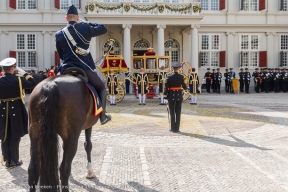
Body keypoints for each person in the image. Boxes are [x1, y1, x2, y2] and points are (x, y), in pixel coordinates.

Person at [55, 5, 111, 125]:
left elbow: (60, 55)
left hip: (66, 69)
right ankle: (102, 115)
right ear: (77, 18)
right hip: (84, 67)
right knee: (101, 87)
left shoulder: (59, 34)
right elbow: (103, 28)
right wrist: (86, 22)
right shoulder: (85, 27)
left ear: (66, 18)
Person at [0, 58, 37, 168]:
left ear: (2, 69)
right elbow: (33, 83)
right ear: (13, 68)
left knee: (4, 134)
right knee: (15, 135)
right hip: (16, 109)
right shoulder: (19, 80)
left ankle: (7, 160)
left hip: (2, 109)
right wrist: (25, 73)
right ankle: (14, 160)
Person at [164, 62, 187, 133]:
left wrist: (165, 96)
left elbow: (166, 88)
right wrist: (186, 89)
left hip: (171, 95)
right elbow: (184, 86)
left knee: (172, 111)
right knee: (178, 111)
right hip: (179, 95)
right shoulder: (181, 76)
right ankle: (177, 128)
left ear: (172, 68)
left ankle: (172, 128)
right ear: (179, 68)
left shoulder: (168, 76)